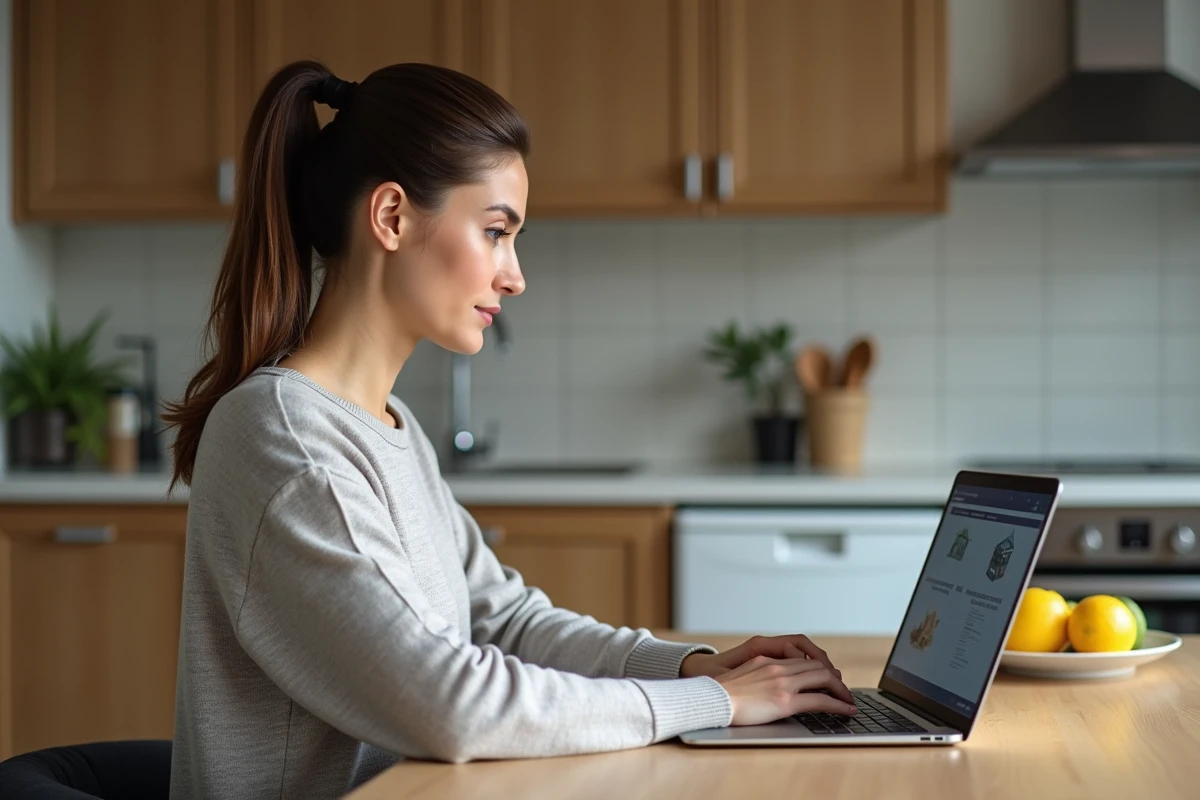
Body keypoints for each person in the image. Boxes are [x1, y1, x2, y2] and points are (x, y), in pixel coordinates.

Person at [162, 61, 858, 800]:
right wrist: (718, 706)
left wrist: (692, 668)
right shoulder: (283, 438)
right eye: (495, 232)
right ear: (392, 217)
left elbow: (504, 622)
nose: (514, 274)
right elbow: (448, 704)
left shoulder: (391, 428)